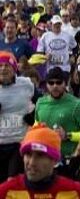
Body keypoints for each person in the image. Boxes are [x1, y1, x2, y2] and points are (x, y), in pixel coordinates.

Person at [0, 124, 80, 198]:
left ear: (55, 161)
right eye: (28, 154)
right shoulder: (6, 192)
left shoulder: (75, 193)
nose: (32, 162)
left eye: (40, 155)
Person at [34, 67, 80, 181]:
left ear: (65, 83)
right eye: (51, 83)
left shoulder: (76, 105)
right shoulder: (40, 103)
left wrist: (67, 135)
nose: (55, 86)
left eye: (59, 82)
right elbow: (35, 127)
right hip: (46, 160)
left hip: (69, 161)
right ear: (46, 84)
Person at [0, 52, 36, 182]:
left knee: (12, 182)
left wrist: (32, 116)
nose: (3, 68)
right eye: (0, 66)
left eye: (7, 65)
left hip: (18, 142)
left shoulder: (26, 84)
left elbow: (41, 102)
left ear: (14, 68)